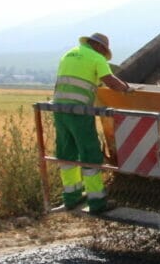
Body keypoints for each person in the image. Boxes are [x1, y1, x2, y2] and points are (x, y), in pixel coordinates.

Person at [53, 33, 131, 213]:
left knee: (66, 154)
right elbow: (110, 81)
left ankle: (71, 199)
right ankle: (97, 203)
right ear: (100, 47)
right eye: (105, 52)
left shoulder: (69, 54)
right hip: (79, 112)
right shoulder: (97, 58)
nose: (104, 56)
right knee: (90, 154)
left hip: (58, 110)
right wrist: (127, 89)